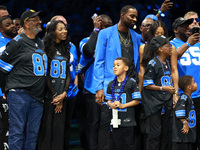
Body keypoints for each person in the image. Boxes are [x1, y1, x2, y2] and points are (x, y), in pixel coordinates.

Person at [94, 5, 141, 149]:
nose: (134, 20)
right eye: (131, 16)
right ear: (122, 16)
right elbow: (99, 61)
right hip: (110, 86)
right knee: (107, 125)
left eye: (135, 17)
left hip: (130, 86)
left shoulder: (136, 37)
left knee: (129, 127)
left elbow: (136, 63)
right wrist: (99, 87)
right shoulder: (106, 33)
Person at [0, 9, 46, 150]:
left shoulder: (40, 42)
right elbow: (1, 69)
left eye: (39, 19)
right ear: (26, 24)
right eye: (35, 20)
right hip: (20, 94)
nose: (39, 22)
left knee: (32, 135)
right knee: (17, 133)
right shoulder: (17, 43)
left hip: (38, 97)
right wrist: (5, 91)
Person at [78, 14, 112, 150]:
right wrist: (96, 31)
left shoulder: (112, 41)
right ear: (98, 24)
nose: (109, 28)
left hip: (109, 89)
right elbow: (88, 51)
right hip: (92, 89)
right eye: (106, 25)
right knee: (93, 123)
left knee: (108, 124)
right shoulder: (86, 40)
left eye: (111, 25)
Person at [37, 20, 71, 150]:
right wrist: (55, 95)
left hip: (62, 96)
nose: (65, 31)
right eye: (61, 29)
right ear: (53, 32)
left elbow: (67, 74)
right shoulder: (44, 48)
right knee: (45, 132)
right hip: (48, 96)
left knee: (59, 132)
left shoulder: (65, 48)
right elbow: (44, 74)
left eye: (65, 29)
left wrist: (64, 94)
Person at [170, 17, 200, 148]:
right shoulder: (171, 44)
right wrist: (188, 44)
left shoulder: (198, 44)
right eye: (184, 26)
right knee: (186, 137)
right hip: (183, 97)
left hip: (199, 95)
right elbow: (173, 57)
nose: (188, 28)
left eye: (189, 26)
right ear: (176, 30)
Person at [50, 15, 79, 149]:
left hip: (69, 91)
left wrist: (74, 88)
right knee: (50, 127)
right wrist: (57, 94)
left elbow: (74, 69)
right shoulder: (45, 45)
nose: (65, 28)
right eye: (60, 25)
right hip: (52, 91)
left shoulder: (71, 46)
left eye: (65, 25)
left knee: (65, 127)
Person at [142, 35, 175, 150]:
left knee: (165, 134)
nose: (171, 47)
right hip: (155, 105)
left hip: (166, 104)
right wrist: (163, 89)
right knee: (155, 135)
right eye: (168, 45)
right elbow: (147, 84)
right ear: (160, 48)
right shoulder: (153, 63)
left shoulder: (167, 62)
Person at [138, 20, 179, 106]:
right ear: (152, 34)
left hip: (166, 90)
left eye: (162, 34)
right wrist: (139, 92)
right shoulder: (143, 48)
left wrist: (176, 93)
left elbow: (174, 70)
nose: (160, 36)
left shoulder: (171, 49)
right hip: (149, 90)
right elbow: (141, 72)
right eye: (157, 33)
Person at [105, 57, 141, 149]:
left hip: (128, 120)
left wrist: (122, 105)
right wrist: (110, 104)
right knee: (117, 145)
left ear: (126, 68)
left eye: (118, 65)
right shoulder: (111, 84)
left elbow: (137, 100)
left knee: (129, 144)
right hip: (115, 120)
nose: (115, 67)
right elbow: (108, 100)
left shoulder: (131, 83)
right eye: (113, 66)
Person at [0, 16, 17, 150]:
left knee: (13, 129)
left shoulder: (19, 41)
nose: (12, 26)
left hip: (15, 92)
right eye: (8, 25)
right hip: (2, 93)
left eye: (12, 24)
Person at [172, 75, 197, 150]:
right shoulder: (183, 98)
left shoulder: (189, 98)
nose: (196, 84)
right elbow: (179, 111)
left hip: (189, 135)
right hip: (183, 136)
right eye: (194, 82)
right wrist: (184, 122)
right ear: (189, 87)